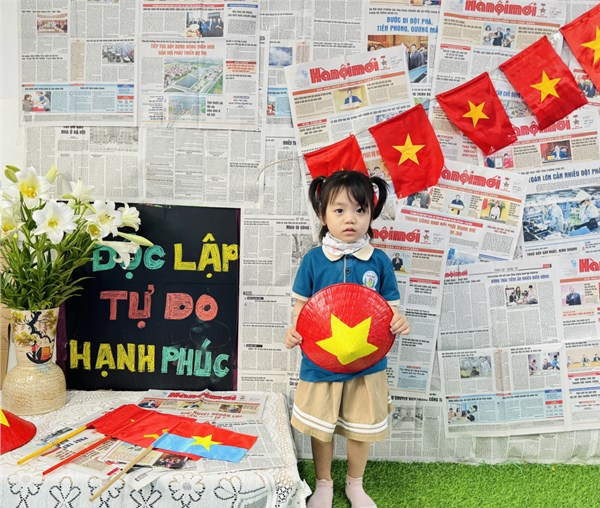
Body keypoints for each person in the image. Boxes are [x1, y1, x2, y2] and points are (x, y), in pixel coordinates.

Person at [284, 170, 410, 508]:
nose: (350, 218)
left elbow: (390, 309)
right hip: (321, 363)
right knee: (321, 427)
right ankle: (323, 483)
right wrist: (293, 330)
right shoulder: (313, 260)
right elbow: (300, 307)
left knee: (360, 427)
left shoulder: (378, 261)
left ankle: (355, 484)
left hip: (366, 364)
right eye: (339, 210)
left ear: (371, 213)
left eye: (360, 209)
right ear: (323, 214)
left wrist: (399, 321)